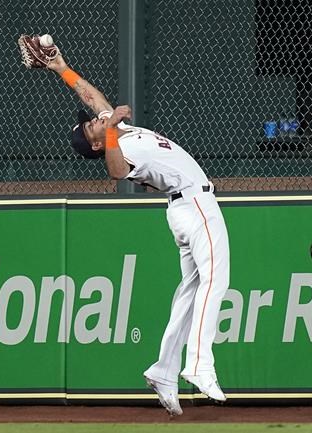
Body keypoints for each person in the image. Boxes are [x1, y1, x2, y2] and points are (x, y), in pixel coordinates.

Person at [41, 46, 230, 416]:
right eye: (92, 125)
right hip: (194, 207)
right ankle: (200, 364)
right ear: (95, 143)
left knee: (190, 292)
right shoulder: (115, 144)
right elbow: (115, 173)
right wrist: (110, 131)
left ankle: (163, 370)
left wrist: (61, 69)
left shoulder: (116, 130)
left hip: (186, 208)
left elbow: (90, 95)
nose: (96, 118)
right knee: (215, 281)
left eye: (94, 120)